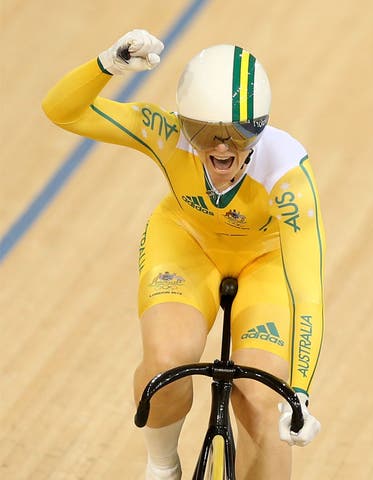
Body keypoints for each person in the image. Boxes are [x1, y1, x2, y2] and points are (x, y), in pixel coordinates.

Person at [42, 29, 324, 480]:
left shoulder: (287, 176)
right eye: (205, 132)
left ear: (262, 123)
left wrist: (301, 392)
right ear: (183, 120)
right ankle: (162, 465)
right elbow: (63, 111)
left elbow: (307, 289)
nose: (222, 147)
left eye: (239, 132)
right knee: (168, 360)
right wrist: (106, 66)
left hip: (265, 265)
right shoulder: (165, 131)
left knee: (261, 397)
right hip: (186, 242)